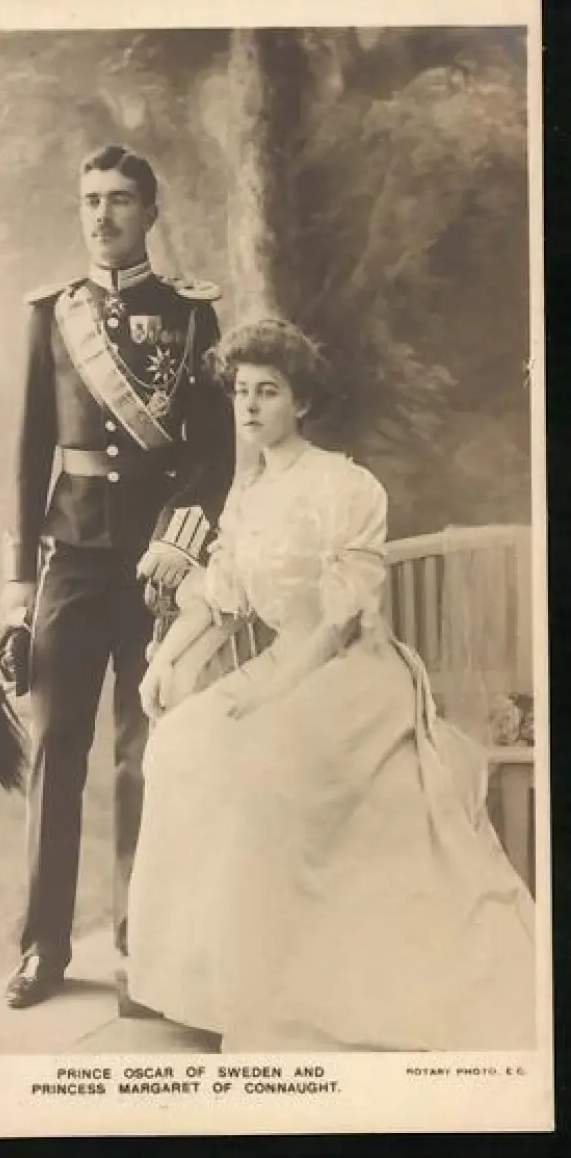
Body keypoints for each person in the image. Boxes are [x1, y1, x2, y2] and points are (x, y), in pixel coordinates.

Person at [127, 318, 536, 1052]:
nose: (250, 406)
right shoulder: (248, 493)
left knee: (263, 762)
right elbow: (221, 597)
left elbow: (341, 621)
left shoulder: (346, 486)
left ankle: (284, 991)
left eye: (268, 391)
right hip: (282, 664)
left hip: (353, 674)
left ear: (302, 402)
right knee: (180, 743)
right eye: (241, 392)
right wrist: (166, 663)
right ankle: (208, 985)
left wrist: (269, 695)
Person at [0, 144, 235, 1010]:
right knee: (57, 751)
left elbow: (213, 455)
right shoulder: (49, 315)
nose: (102, 214)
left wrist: (179, 541)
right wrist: (17, 590)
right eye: (91, 200)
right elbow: (29, 456)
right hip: (70, 560)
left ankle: (143, 945)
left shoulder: (190, 315)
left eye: (120, 200)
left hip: (154, 570)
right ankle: (43, 947)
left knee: (144, 756)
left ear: (150, 212)